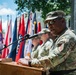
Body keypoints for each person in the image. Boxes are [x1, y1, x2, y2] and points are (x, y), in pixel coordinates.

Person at [18, 10, 76, 75]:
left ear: (62, 21)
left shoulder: (67, 37)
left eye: (52, 22)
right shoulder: (59, 37)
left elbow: (53, 59)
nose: (49, 26)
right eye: (47, 23)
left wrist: (29, 63)